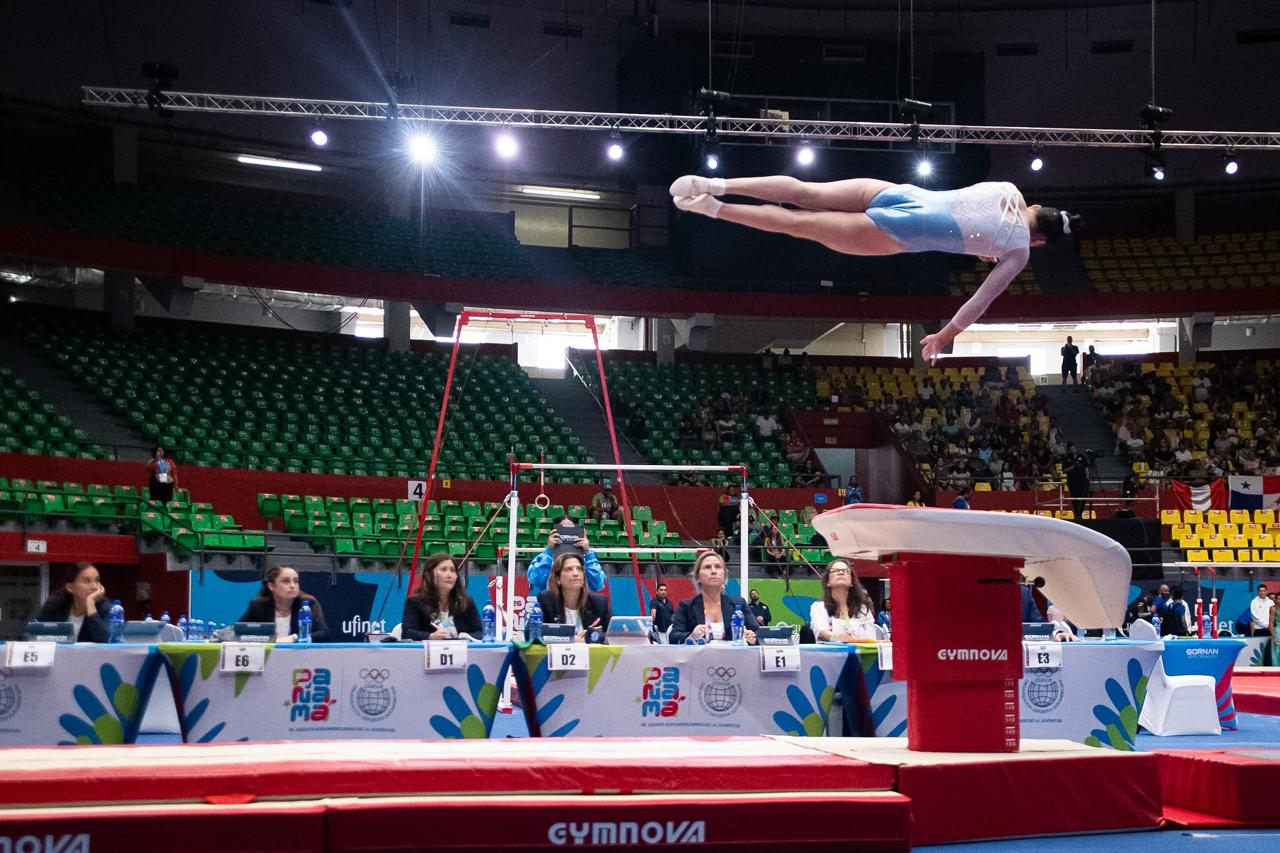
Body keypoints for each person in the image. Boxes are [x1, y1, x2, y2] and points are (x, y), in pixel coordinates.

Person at [668, 174, 1078, 362]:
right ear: (1039, 241)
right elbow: (980, 300)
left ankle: (716, 184)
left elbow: (979, 217)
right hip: (900, 233)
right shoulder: (1020, 251)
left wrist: (981, 245)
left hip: (897, 193)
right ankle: (714, 209)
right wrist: (945, 334)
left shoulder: (1010, 189)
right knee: (797, 225)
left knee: (805, 192)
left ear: (1036, 207)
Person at [669, 551, 760, 644]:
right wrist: (692, 635)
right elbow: (673, 637)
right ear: (697, 576)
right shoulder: (686, 606)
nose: (713, 571)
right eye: (707, 567)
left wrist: (751, 638)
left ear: (724, 575)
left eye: (718, 567)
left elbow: (758, 634)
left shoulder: (739, 603)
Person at [237, 565, 329, 642]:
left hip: (299, 657)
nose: (293, 586)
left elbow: (324, 634)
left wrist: (294, 637)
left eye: (296, 581)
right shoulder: (258, 607)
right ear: (272, 586)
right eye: (286, 581)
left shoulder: (307, 604)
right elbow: (238, 631)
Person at [401, 552, 482, 641]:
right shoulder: (415, 602)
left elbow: (480, 633)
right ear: (429, 575)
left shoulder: (467, 603)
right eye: (443, 570)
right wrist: (430, 636)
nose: (449, 575)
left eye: (453, 570)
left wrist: (466, 636)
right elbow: (407, 633)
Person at [538, 551, 612, 643]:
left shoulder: (599, 603)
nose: (576, 573)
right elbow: (535, 635)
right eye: (569, 569)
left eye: (579, 569)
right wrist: (571, 639)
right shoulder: (546, 601)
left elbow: (612, 635)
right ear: (558, 579)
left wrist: (592, 637)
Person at [32, 563, 111, 643]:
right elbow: (30, 633)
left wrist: (90, 604)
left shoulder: (104, 607)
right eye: (87, 581)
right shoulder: (56, 604)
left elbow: (104, 640)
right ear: (70, 587)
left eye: (97, 580)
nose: (94, 587)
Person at [527, 516, 604, 595]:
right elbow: (537, 581)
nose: (567, 533)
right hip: (553, 604)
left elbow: (597, 584)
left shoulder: (588, 559)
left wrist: (587, 552)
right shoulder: (545, 557)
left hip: (582, 605)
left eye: (571, 529)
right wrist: (549, 550)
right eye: (563, 530)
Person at [809, 559, 877, 642]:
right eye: (835, 571)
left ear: (851, 581)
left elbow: (871, 638)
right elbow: (820, 631)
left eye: (846, 571)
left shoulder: (863, 609)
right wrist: (836, 638)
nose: (841, 573)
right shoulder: (818, 607)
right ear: (828, 582)